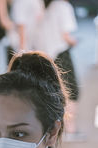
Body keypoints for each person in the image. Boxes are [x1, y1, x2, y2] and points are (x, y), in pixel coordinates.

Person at [35, 0, 82, 140]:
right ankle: (70, 130)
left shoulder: (48, 6)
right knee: (71, 91)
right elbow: (66, 36)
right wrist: (75, 41)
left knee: (54, 92)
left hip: (47, 54)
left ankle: (57, 130)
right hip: (60, 53)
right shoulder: (63, 6)